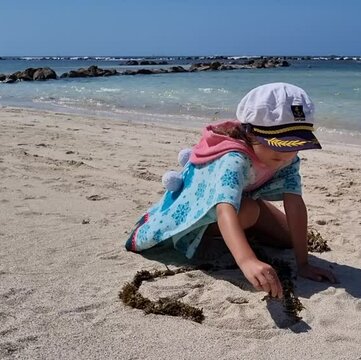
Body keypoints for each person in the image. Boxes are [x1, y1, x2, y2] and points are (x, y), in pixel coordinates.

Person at [125, 82, 337, 298]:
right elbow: (224, 208)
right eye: (278, 144)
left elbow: (294, 202)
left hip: (242, 200)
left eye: (295, 145)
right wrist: (247, 260)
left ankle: (240, 230)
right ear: (251, 133)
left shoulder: (288, 157)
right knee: (248, 211)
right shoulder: (234, 159)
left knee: (287, 237)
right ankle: (213, 235)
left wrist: (303, 263)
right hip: (202, 209)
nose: (286, 155)